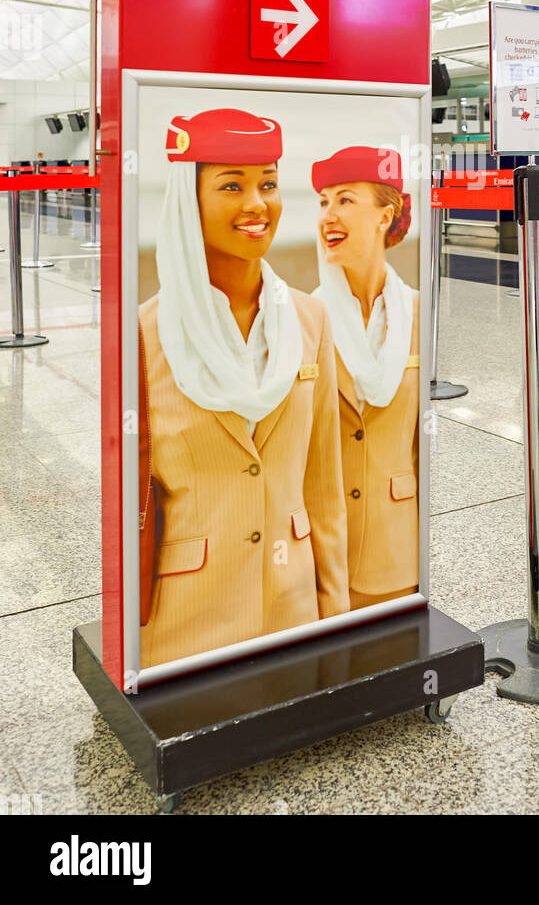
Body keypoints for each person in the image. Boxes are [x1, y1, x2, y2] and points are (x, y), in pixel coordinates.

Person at [138, 108, 349, 669]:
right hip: (185, 620)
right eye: (232, 185)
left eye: (269, 184)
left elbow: (324, 487)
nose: (257, 204)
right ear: (189, 199)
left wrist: (339, 617)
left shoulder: (309, 321)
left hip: (293, 606)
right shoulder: (142, 335)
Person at [311, 146, 419, 611]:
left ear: (384, 216)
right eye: (323, 202)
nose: (328, 215)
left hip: (395, 543)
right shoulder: (303, 317)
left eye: (346, 200)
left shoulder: (418, 312)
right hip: (318, 550)